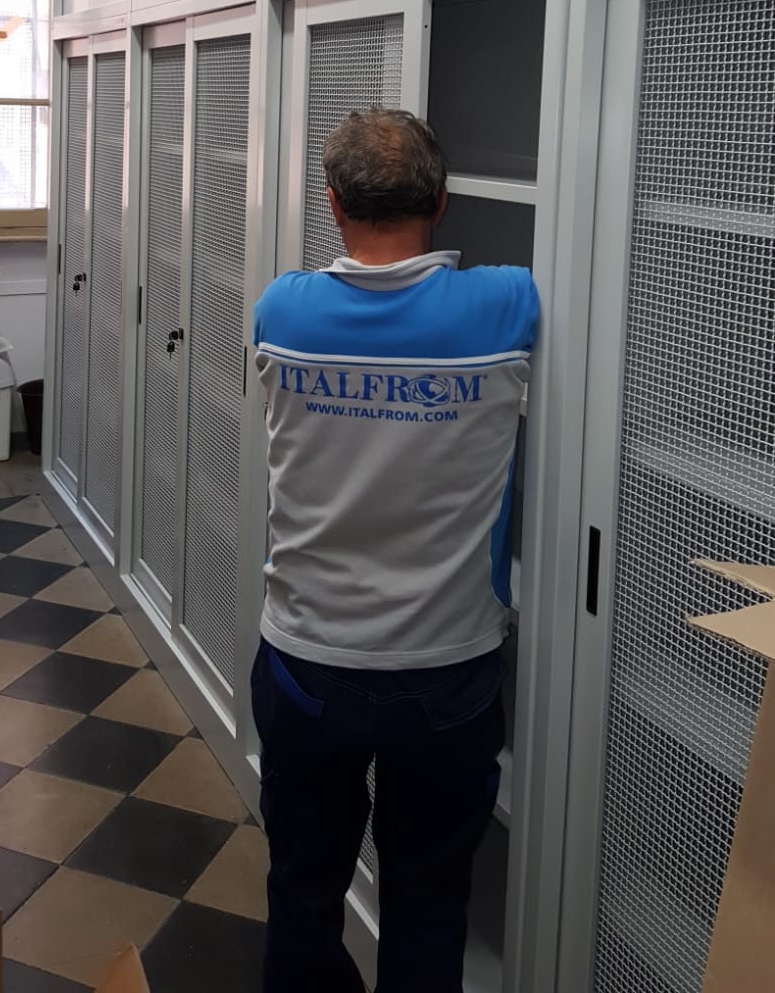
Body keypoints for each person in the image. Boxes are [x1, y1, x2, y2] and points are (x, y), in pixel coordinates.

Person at [251, 108, 539, 993]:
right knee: (428, 910)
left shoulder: (282, 308)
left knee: (303, 897)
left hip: (307, 660)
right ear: (442, 202)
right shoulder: (506, 305)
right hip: (446, 671)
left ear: (333, 204)